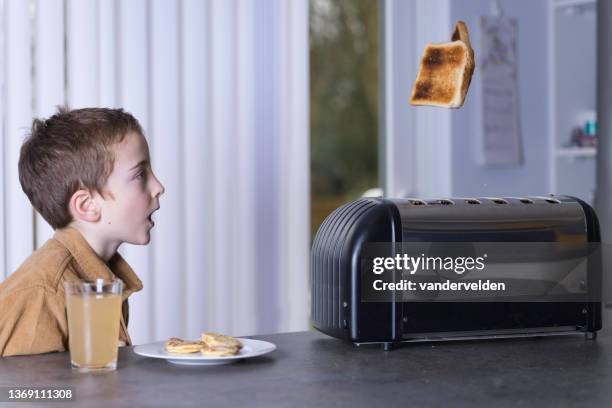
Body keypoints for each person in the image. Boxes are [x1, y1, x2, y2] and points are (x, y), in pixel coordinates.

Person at [0, 107, 164, 356]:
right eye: (140, 174)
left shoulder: (100, 277)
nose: (159, 187)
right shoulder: (43, 294)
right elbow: (24, 394)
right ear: (87, 206)